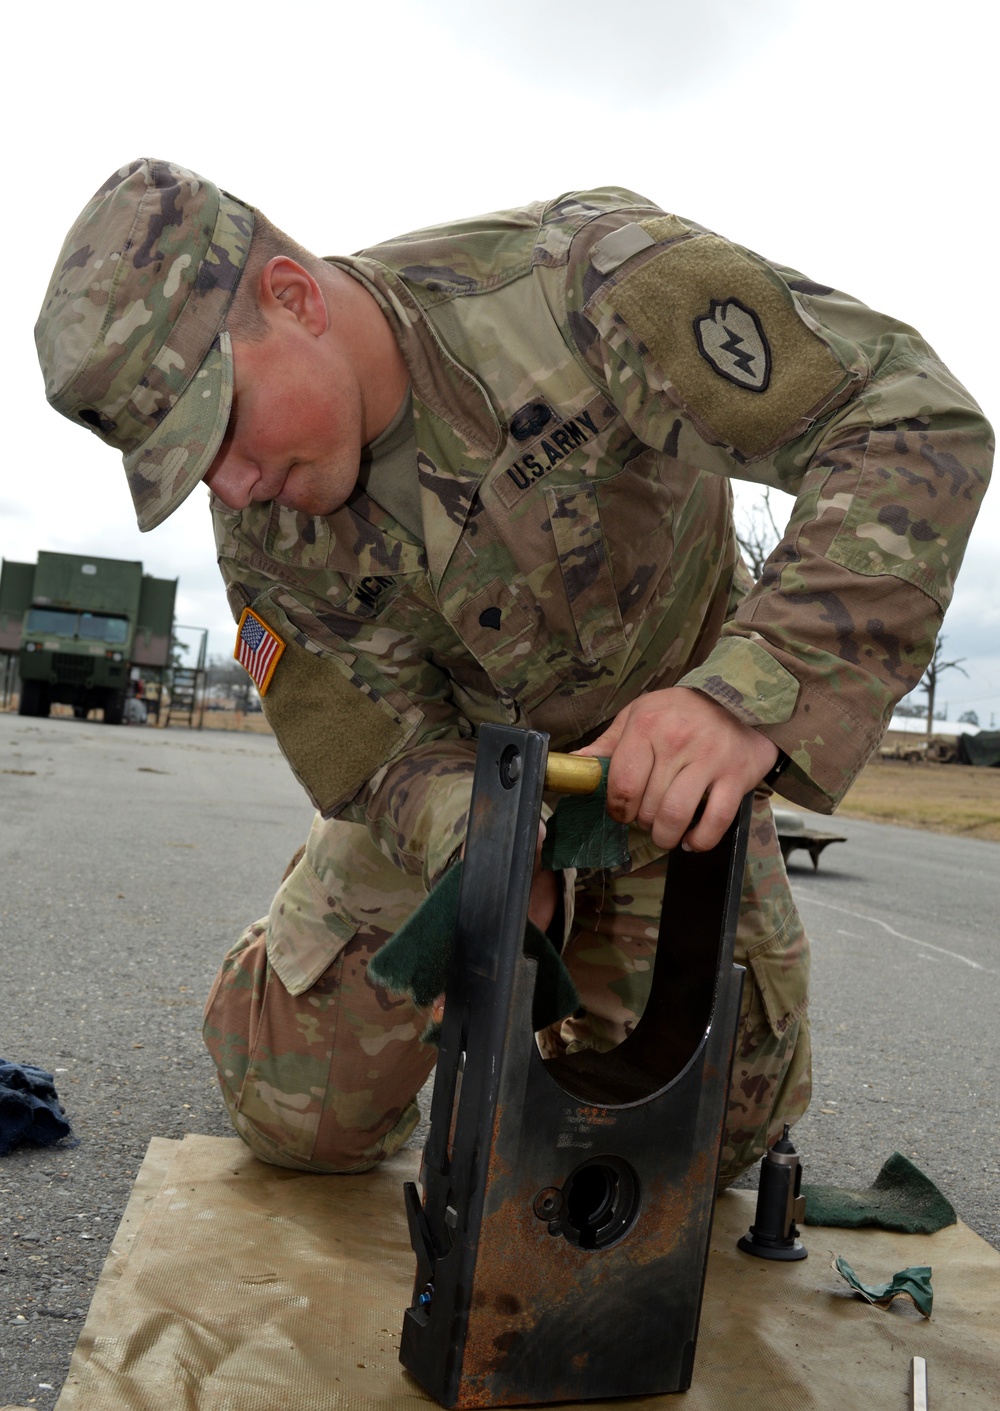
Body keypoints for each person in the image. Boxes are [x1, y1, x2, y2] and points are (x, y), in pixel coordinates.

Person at [35, 161, 992, 1185]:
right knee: (294, 1119)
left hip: (669, 786)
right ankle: (311, 953)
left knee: (690, 1150)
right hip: (470, 795)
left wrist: (751, 688)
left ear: (293, 297)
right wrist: (481, 845)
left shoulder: (583, 284)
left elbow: (904, 420)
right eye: (187, 465)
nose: (231, 482)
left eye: (220, 426)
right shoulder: (262, 524)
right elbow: (372, 743)